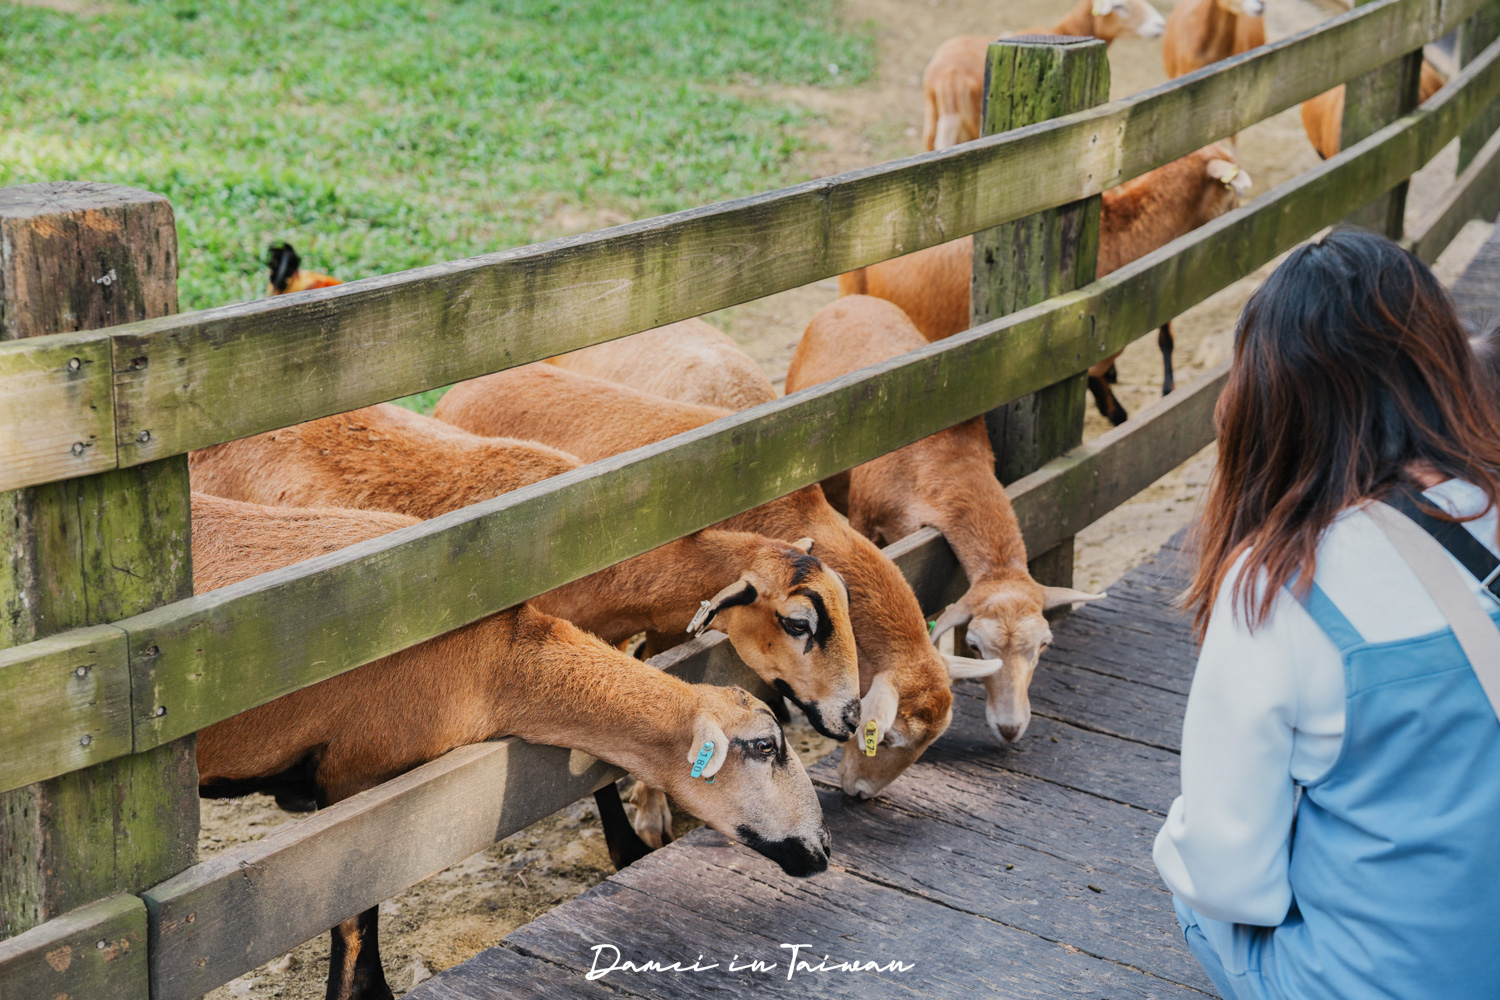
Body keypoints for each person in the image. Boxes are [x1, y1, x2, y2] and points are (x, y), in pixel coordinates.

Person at [1154, 228, 1500, 1000]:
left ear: (1272, 400)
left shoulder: (1281, 582)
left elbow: (1229, 879)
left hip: (1378, 984)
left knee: (1189, 878)